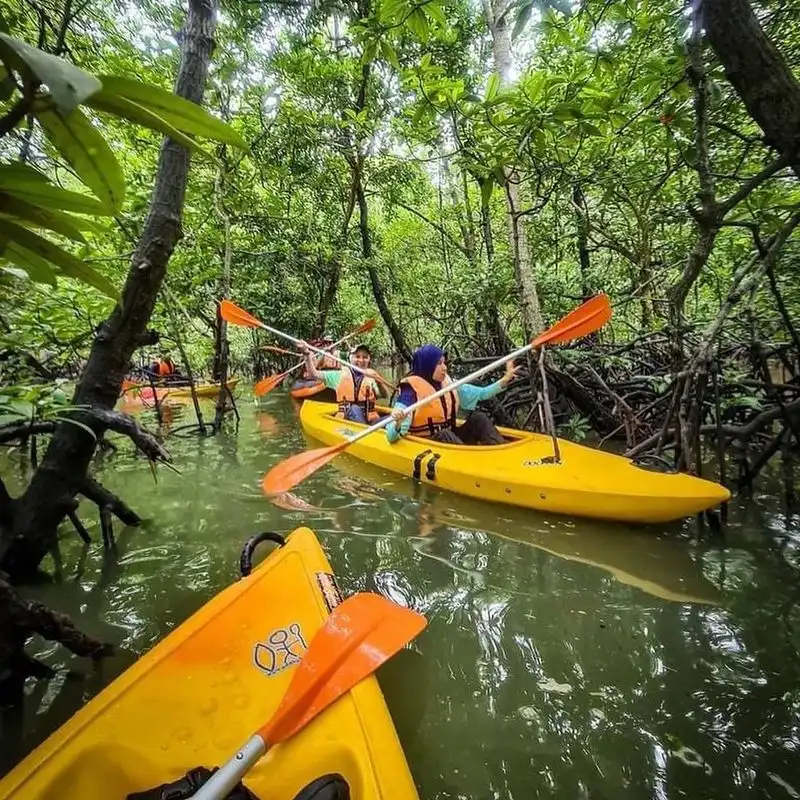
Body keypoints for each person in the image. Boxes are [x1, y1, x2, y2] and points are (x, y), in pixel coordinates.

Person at [386, 344, 518, 445]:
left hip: (452, 438)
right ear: (428, 366)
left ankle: (498, 451)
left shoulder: (449, 384)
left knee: (479, 418)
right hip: (428, 442)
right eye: (439, 364)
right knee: (444, 434)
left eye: (444, 362)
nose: (445, 367)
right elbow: (391, 436)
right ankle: (467, 463)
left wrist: (505, 379)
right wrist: (397, 423)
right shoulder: (410, 392)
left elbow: (482, 393)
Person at [301, 343, 390, 423]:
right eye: (357, 356)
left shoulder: (371, 377)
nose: (361, 360)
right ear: (350, 358)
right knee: (354, 409)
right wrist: (306, 354)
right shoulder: (339, 375)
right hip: (347, 420)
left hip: (370, 421)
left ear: (369, 359)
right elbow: (314, 374)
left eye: (365, 357)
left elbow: (385, 395)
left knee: (393, 418)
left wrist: (378, 380)